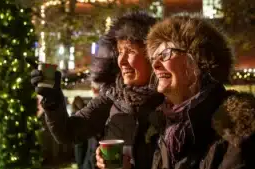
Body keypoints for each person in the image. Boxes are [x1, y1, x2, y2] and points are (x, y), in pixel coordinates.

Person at [31, 11, 163, 169]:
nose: (122, 61)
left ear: (152, 57)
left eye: (131, 52)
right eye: (120, 52)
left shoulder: (172, 101)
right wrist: (53, 101)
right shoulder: (113, 96)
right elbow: (68, 132)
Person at [146, 13, 255, 168]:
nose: (155, 65)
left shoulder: (236, 128)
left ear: (198, 62)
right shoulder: (164, 126)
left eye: (165, 54)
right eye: (153, 58)